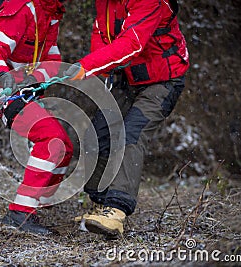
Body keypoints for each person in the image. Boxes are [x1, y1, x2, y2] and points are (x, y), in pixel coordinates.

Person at [64, 0, 189, 236]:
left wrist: (87, 66)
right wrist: (95, 65)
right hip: (127, 80)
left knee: (131, 134)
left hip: (163, 82)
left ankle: (117, 210)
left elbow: (133, 43)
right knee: (96, 135)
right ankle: (100, 203)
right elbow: (101, 34)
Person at [0, 0, 73, 235]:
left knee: (64, 147)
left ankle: (40, 204)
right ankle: (20, 213)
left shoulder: (51, 11)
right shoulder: (23, 8)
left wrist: (41, 78)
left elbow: (50, 56)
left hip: (24, 89)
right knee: (52, 140)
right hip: (1, 88)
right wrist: (4, 77)